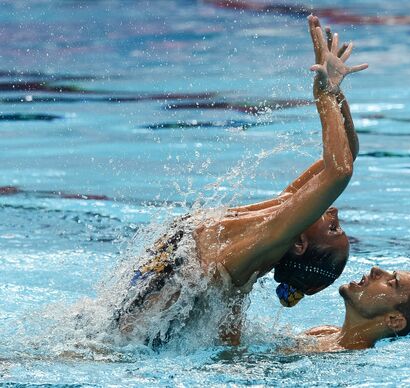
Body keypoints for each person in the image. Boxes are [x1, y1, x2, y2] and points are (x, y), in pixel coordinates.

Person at [112, 15, 369, 347]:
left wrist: (324, 95)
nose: (334, 214)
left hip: (129, 343)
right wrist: (336, 91)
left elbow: (341, 171)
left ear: (300, 244)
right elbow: (347, 154)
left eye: (333, 229)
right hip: (131, 323)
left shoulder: (266, 239)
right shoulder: (276, 214)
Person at [300, 266, 410, 352]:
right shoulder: (323, 332)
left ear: (394, 320)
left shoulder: (344, 363)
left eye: (392, 282)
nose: (375, 270)